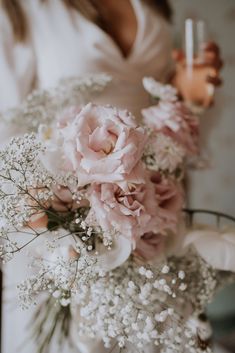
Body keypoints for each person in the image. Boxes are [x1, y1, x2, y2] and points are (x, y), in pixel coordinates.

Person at [0, 1, 223, 353]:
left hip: (149, 212)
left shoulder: (153, 5)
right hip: (61, 228)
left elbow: (173, 131)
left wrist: (188, 97)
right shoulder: (22, 10)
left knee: (154, 332)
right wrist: (60, 212)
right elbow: (6, 124)